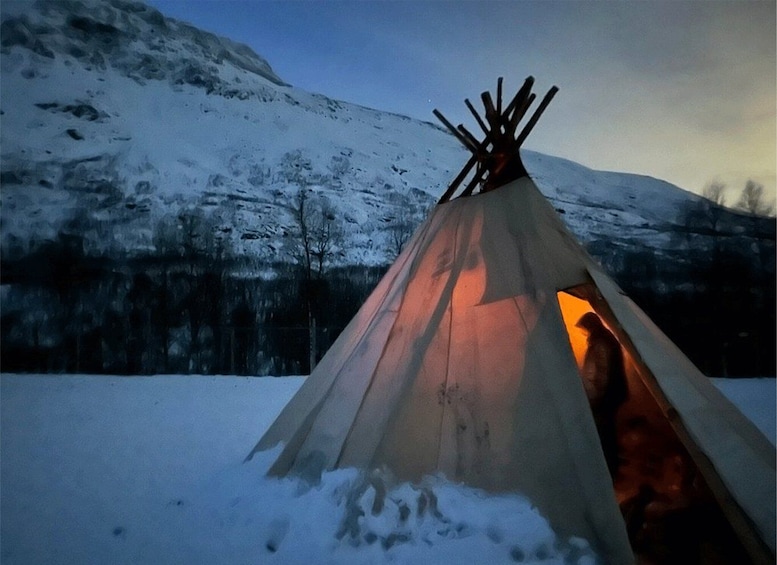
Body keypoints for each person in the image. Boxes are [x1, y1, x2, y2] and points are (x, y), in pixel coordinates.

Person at [576, 312, 628, 477]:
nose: (585, 333)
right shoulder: (605, 339)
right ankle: (610, 466)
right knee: (607, 431)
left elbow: (601, 375)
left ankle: (609, 469)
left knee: (605, 433)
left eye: (585, 329)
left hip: (606, 397)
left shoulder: (600, 344)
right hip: (611, 395)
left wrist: (594, 399)